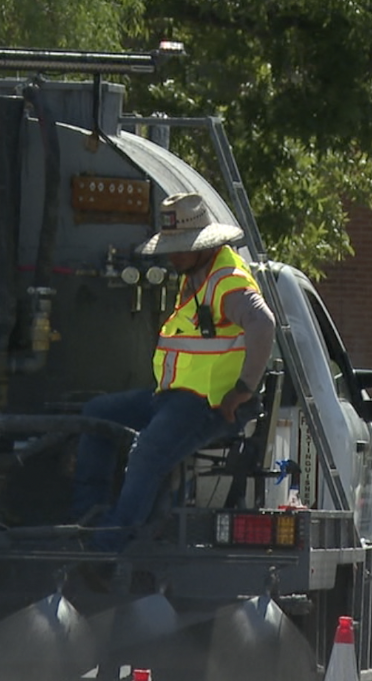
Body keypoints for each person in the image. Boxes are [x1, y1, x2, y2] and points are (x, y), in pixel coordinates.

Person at [71, 193, 275, 550]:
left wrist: (243, 390)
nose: (173, 254)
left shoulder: (227, 279)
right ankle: (90, 519)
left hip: (209, 404)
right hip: (174, 398)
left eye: (181, 246)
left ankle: (111, 543)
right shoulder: (197, 272)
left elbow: (262, 322)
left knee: (148, 450)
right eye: (171, 247)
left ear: (205, 245)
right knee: (96, 414)